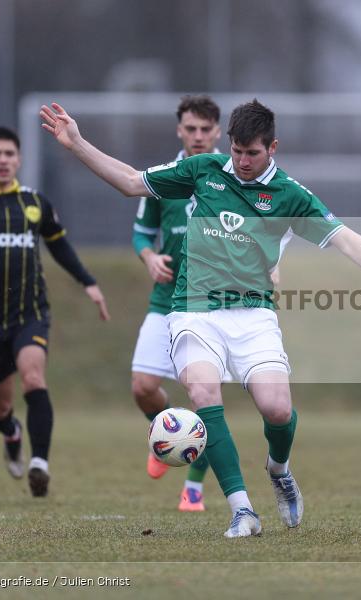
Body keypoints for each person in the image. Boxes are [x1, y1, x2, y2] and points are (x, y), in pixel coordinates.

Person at [40, 99, 361, 537]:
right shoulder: (205, 169)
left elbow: (343, 238)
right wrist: (77, 144)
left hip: (253, 314)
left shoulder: (288, 193)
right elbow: (131, 182)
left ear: (272, 148)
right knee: (204, 391)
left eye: (252, 153)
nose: (242, 161)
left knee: (278, 410)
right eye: (237, 150)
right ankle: (242, 510)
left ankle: (279, 470)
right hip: (193, 308)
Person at [0, 126, 110, 497]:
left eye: (9, 154)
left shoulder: (34, 202)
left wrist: (88, 281)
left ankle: (39, 463)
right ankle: (12, 433)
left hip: (30, 313)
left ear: (19, 159)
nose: (3, 161)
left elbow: (60, 246)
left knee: (33, 377)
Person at [131, 95, 223, 512]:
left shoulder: (231, 175)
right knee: (143, 387)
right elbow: (141, 233)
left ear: (218, 132)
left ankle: (194, 489)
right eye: (191, 128)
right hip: (166, 298)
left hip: (213, 303)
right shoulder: (163, 177)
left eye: (206, 129)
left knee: (204, 395)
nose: (198, 136)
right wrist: (149, 257)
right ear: (179, 131)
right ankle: (166, 431)